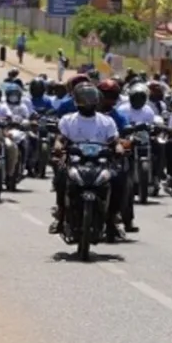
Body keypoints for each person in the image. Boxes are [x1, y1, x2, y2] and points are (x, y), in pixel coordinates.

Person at [49, 84, 122, 239]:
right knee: (61, 177)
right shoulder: (68, 120)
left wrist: (119, 147)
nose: (87, 103)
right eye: (84, 99)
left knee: (118, 179)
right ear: (77, 101)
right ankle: (61, 216)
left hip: (101, 162)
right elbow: (60, 138)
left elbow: (114, 139)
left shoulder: (106, 121)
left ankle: (112, 220)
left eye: (91, 99)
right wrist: (58, 145)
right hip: (75, 161)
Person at [98, 79, 137, 234]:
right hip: (88, 158)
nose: (108, 99)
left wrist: (125, 143)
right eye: (105, 95)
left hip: (112, 159)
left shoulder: (119, 117)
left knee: (121, 181)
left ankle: (117, 217)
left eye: (112, 95)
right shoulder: (88, 114)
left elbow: (126, 136)